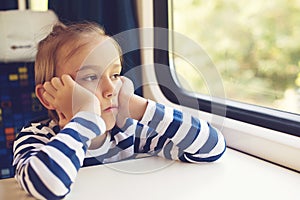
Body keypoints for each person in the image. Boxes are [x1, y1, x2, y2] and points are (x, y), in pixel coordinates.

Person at [12, 21, 226, 200]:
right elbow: (47, 185)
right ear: (48, 96)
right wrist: (86, 117)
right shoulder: (36, 138)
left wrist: (139, 108)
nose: (111, 89)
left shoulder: (129, 133)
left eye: (115, 76)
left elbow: (211, 148)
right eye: (90, 77)